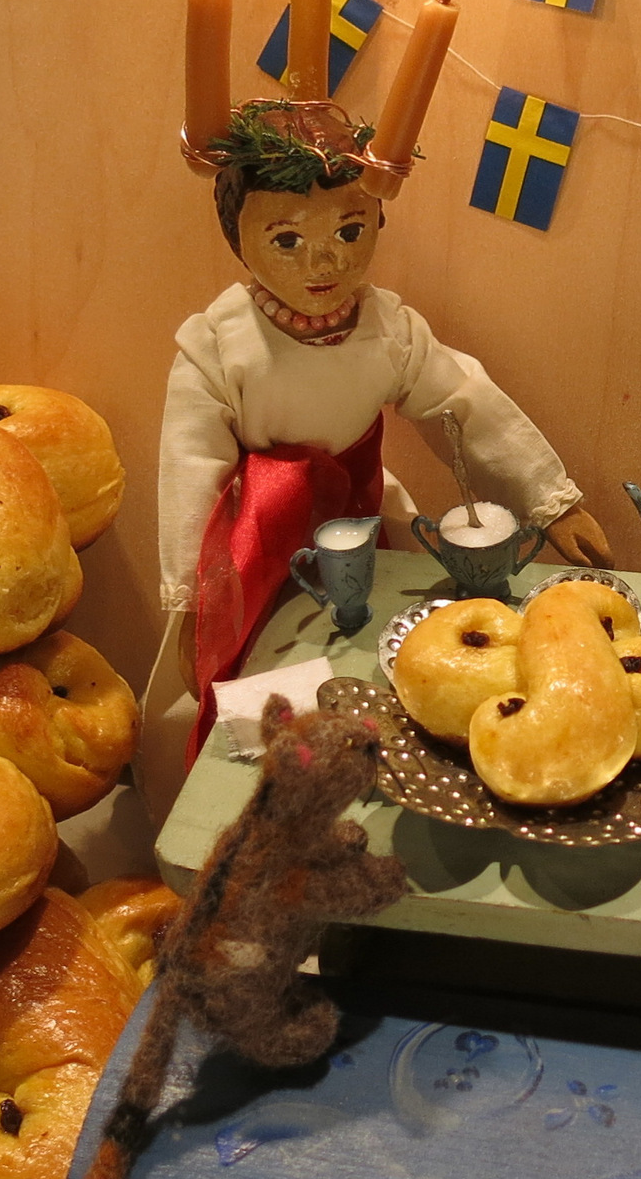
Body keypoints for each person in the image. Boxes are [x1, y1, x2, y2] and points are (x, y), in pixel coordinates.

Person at [143, 102, 611, 809]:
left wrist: (551, 500)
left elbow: (464, 403)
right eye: (287, 239)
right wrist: (192, 604)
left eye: (350, 230)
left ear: (378, 221)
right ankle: (268, 809)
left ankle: (383, 778)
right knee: (260, 698)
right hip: (250, 548)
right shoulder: (219, 346)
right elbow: (190, 470)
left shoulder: (387, 329)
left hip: (364, 522)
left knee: (380, 660)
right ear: (237, 236)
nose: (326, 260)